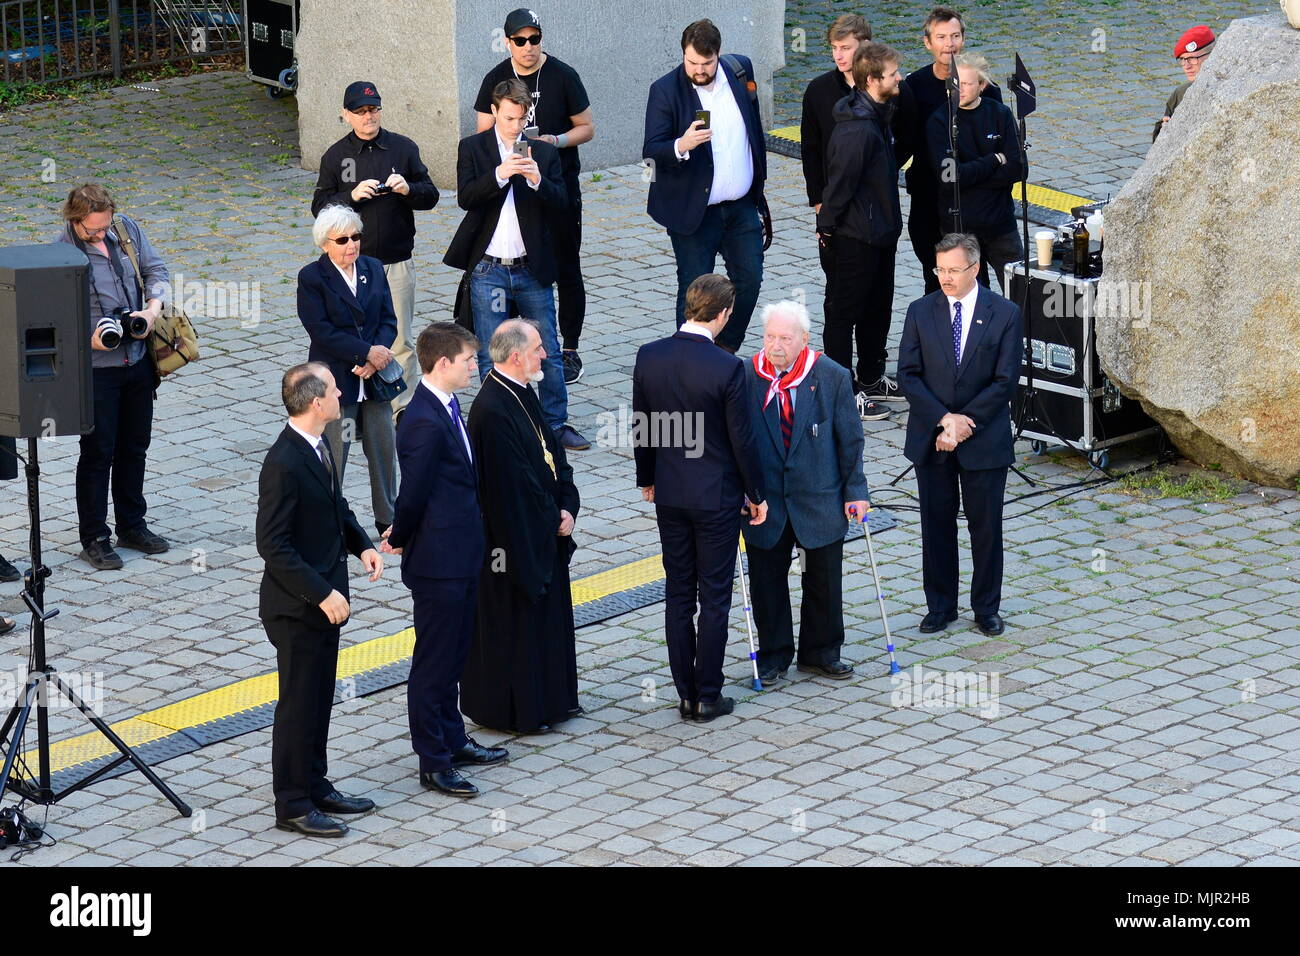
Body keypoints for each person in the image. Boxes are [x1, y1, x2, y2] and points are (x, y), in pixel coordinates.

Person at [381, 323, 508, 798]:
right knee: (433, 662)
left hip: (462, 553)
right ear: (441, 364)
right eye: (469, 360)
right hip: (438, 562)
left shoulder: (447, 408)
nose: (476, 366)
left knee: (455, 654)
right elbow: (411, 495)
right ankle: (433, 759)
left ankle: (453, 739)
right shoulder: (421, 422)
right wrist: (401, 535)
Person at [257, 363, 383, 837]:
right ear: (316, 403)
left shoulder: (318, 446)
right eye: (333, 389)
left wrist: (363, 543)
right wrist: (322, 592)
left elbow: (337, 506)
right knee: (298, 703)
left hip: (325, 601)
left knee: (319, 698)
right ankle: (291, 802)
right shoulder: (283, 462)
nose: (341, 393)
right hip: (298, 607)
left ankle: (315, 782)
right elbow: (272, 544)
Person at [633, 275, 767, 721]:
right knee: (713, 597)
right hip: (716, 498)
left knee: (677, 594)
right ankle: (708, 695)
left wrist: (647, 479)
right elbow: (741, 440)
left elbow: (643, 425)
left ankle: (684, 693)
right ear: (725, 314)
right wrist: (755, 493)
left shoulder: (649, 356)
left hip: (670, 493)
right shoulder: (728, 368)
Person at [444, 79, 589, 452]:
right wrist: (500, 174)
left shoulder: (542, 152)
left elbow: (562, 202)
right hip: (489, 269)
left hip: (531, 267)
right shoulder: (473, 148)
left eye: (522, 119)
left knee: (549, 349)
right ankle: (500, 426)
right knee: (491, 349)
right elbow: (466, 197)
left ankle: (555, 423)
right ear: (494, 112)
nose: (516, 126)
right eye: (509, 118)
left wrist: (537, 179)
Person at [896, 234, 1020, 638]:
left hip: (983, 438)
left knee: (986, 527)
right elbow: (908, 375)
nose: (945, 278)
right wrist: (945, 420)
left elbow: (1004, 382)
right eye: (940, 270)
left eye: (953, 270)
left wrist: (965, 422)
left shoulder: (1004, 313)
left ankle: (986, 607)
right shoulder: (920, 311)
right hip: (933, 438)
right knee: (936, 525)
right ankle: (940, 606)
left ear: (975, 268)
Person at [463, 320, 581, 734]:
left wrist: (568, 503)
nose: (545, 356)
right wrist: (554, 518)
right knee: (517, 628)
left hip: (544, 528)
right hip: (512, 544)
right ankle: (520, 710)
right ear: (515, 357)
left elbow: (553, 455)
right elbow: (514, 487)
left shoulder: (522, 392)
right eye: (537, 349)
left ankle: (555, 700)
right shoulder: (491, 410)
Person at [741, 301, 869, 686]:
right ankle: (774, 655)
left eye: (784, 338)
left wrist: (856, 491)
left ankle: (821, 652)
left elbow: (850, 439)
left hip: (819, 496)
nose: (775, 346)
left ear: (804, 339)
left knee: (824, 580)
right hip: (766, 503)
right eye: (769, 337)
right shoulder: (747, 375)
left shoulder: (830, 376)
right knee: (767, 582)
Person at [474, 8, 595, 386]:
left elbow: (587, 127)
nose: (529, 47)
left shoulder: (563, 75)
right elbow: (481, 135)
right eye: (521, 40)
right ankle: (514, 346)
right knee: (519, 267)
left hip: (556, 181)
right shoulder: (495, 79)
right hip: (512, 191)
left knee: (566, 265)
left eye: (535, 39)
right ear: (508, 42)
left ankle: (569, 347)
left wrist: (553, 142)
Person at [55, 184, 170, 571]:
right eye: (93, 230)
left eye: (104, 227)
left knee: (135, 445)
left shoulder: (126, 229)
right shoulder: (60, 252)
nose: (101, 234)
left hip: (137, 358)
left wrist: (151, 310)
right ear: (74, 220)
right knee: (98, 453)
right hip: (97, 370)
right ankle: (94, 537)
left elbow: (156, 269)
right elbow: (52, 317)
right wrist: (86, 341)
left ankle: (132, 525)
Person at [311, 81, 439, 423]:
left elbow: (430, 195)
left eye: (374, 109)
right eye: (361, 111)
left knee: (400, 337)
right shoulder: (337, 156)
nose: (369, 116)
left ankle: (403, 408)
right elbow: (319, 208)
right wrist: (352, 196)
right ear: (346, 115)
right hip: (350, 265)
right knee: (351, 334)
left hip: (395, 259)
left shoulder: (402, 148)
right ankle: (350, 399)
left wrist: (408, 188)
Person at [643, 18, 768, 354]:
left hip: (741, 206)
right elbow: (651, 150)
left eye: (706, 63)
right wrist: (680, 145)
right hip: (693, 212)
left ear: (719, 54)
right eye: (692, 62)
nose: (698, 70)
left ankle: (724, 350)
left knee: (749, 280)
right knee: (694, 290)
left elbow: (754, 129)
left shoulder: (741, 71)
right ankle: (691, 360)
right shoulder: (665, 89)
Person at [297, 204, 399, 540]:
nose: (351, 244)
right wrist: (363, 351)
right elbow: (320, 330)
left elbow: (388, 319)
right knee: (334, 455)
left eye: (356, 237)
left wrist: (376, 358)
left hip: (373, 380)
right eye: (343, 239)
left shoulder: (372, 267)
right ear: (325, 243)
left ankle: (388, 519)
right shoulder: (312, 277)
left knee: (384, 450)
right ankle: (330, 522)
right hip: (336, 380)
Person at [816, 41, 905, 423]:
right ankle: (842, 393)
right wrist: (827, 230)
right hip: (855, 238)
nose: (899, 77)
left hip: (880, 235)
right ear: (872, 80)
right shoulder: (859, 131)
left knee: (876, 310)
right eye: (893, 74)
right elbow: (839, 187)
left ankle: (870, 376)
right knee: (843, 314)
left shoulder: (878, 114)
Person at [895, 6, 1003, 298]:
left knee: (976, 279)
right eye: (941, 37)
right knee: (935, 277)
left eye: (955, 36)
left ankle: (978, 339)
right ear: (928, 43)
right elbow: (903, 141)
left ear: (963, 39)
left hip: (974, 199)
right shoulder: (913, 87)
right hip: (929, 200)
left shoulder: (986, 88)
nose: (949, 44)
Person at [925, 52, 1024, 292]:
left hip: (1001, 225)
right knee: (970, 299)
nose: (960, 89)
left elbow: (1018, 169)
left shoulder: (1000, 114)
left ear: (982, 85)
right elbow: (950, 179)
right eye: (955, 83)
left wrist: (969, 175)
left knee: (1021, 293)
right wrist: (993, 160)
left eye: (967, 84)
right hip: (960, 229)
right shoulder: (940, 121)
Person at [800, 14, 872, 335]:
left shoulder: (882, 87)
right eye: (834, 48)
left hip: (872, 207)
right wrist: (818, 202)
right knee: (838, 294)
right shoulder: (818, 91)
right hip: (833, 208)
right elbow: (810, 151)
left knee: (874, 294)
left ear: (865, 46)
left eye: (845, 48)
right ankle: (838, 371)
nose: (839, 55)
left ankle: (872, 369)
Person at [1153, 25, 1215, 141]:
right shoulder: (1180, 93)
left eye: (1192, 58)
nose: (1186, 66)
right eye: (1182, 59)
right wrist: (1163, 128)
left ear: (1211, 55)